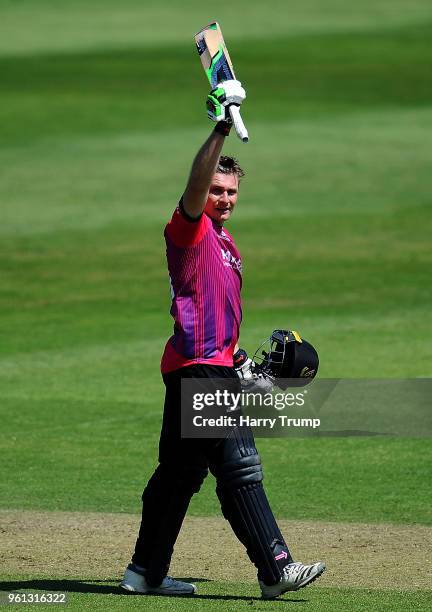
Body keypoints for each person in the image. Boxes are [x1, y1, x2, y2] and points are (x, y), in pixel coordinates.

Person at [120, 80, 326, 599]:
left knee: (178, 477)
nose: (224, 199)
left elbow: (218, 320)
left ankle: (143, 572)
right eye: (217, 190)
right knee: (240, 462)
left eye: (231, 192)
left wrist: (242, 366)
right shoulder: (188, 231)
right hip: (198, 367)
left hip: (201, 364)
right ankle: (276, 568)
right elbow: (192, 189)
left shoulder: (226, 244)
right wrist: (219, 124)